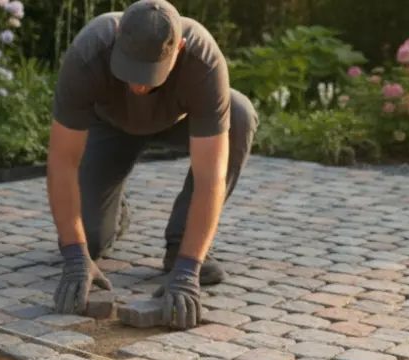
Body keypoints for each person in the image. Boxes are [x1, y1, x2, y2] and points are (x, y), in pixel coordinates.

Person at [46, 0, 258, 330]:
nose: (140, 86)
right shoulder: (88, 53)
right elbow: (62, 162)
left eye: (151, 73)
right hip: (110, 126)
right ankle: (114, 211)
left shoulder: (203, 59)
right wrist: (75, 257)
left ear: (181, 49)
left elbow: (209, 178)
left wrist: (188, 269)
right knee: (89, 239)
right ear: (117, 35)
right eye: (131, 70)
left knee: (239, 113)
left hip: (179, 123)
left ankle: (179, 245)